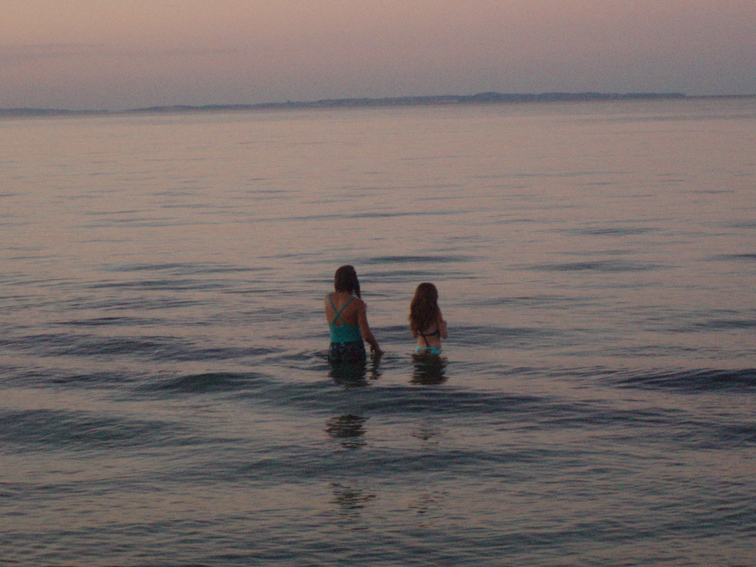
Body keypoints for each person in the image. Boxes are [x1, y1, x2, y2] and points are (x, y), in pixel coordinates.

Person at [325, 265, 382, 364]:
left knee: (336, 373)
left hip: (334, 348)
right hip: (353, 349)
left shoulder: (327, 299)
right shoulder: (357, 303)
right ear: (353, 282)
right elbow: (366, 335)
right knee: (357, 373)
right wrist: (376, 347)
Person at [409, 282, 447, 355]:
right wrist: (443, 326)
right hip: (434, 348)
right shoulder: (436, 312)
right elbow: (444, 336)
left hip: (419, 348)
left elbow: (414, 335)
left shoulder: (415, 312)